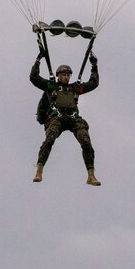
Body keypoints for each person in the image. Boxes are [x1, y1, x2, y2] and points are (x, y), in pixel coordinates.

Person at [30, 51, 101, 186]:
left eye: (68, 75)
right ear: (58, 76)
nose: (66, 77)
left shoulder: (75, 88)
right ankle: (39, 170)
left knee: (86, 142)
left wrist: (94, 65)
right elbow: (34, 77)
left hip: (73, 118)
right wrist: (38, 60)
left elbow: (93, 83)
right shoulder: (52, 86)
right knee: (50, 138)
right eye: (63, 75)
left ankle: (91, 175)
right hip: (56, 117)